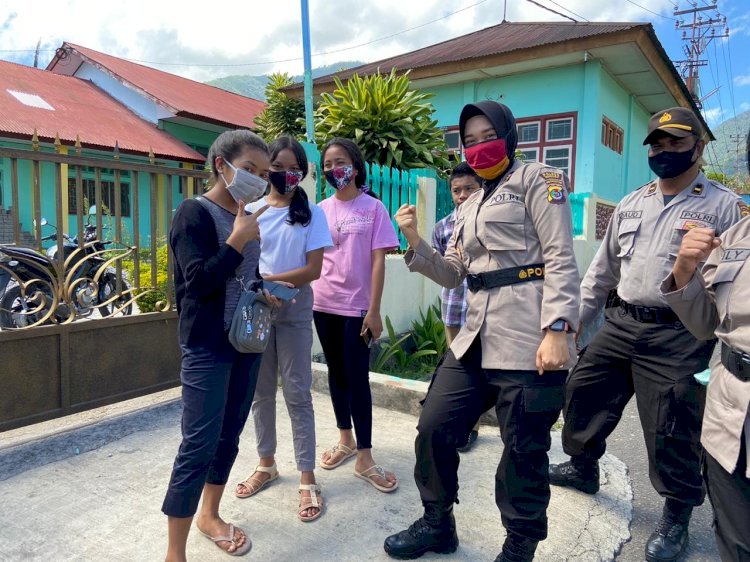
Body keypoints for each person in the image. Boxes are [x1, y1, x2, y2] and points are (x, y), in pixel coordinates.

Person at [384, 100, 580, 562]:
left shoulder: (539, 180)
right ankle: (437, 522)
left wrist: (558, 329)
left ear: (509, 135)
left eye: (487, 135)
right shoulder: (469, 203)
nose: (478, 147)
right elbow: (454, 273)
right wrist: (414, 242)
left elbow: (560, 256)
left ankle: (520, 544)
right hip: (474, 336)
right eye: (468, 141)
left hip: (528, 337)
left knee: (523, 451)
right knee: (433, 426)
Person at [549, 107, 744, 562]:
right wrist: (575, 321)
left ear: (699, 147)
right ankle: (582, 466)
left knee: (672, 426)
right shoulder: (632, 203)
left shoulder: (724, 207)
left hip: (680, 333)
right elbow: (602, 271)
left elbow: (731, 285)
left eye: (676, 142)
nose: (664, 151)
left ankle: (677, 513)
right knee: (583, 392)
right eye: (657, 143)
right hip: (620, 324)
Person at [162, 130, 280, 560]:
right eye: (249, 170)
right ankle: (175, 552)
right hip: (208, 346)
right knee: (197, 443)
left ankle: (209, 515)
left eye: (263, 173)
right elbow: (197, 283)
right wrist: (237, 240)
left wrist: (265, 290)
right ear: (221, 165)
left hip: (246, 343)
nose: (257, 179)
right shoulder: (193, 213)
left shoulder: (248, 217)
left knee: (229, 435)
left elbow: (243, 278)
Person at [234, 136, 332, 522]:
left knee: (296, 391)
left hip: (293, 308)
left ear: (303, 172)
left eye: (294, 168)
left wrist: (271, 281)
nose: (286, 175)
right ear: (267, 169)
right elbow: (241, 259)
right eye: (278, 167)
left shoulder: (312, 215)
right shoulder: (253, 210)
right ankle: (266, 463)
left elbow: (313, 270)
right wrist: (261, 288)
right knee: (261, 391)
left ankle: (307, 476)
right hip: (257, 309)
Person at [312, 137, 400, 493]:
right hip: (323, 303)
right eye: (329, 164)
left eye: (341, 161)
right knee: (336, 373)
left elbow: (379, 259)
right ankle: (345, 439)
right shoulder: (319, 209)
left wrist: (375, 310)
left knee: (358, 378)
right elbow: (313, 257)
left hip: (358, 308)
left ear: (355, 165)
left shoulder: (373, 208)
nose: (336, 169)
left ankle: (365, 456)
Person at [661, 215, 750, 562]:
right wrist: (684, 269)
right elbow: (706, 325)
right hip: (730, 412)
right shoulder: (736, 235)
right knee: (736, 540)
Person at [431, 162, 482, 452]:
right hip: (453, 306)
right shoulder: (442, 228)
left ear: (481, 188)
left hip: (481, 310)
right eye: (456, 190)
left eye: (469, 188)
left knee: (478, 369)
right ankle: (459, 424)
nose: (462, 195)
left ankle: (471, 426)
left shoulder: (489, 221)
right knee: (458, 368)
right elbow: (442, 267)